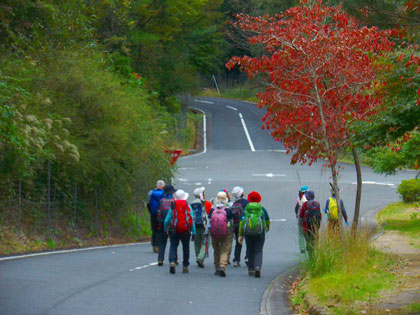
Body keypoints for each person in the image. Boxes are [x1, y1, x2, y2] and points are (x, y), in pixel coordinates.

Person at [238, 191, 270, 278]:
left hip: (248, 233)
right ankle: (258, 266)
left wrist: (240, 235)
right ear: (259, 199)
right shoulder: (262, 209)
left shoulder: (246, 210)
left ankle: (251, 268)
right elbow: (267, 221)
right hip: (260, 233)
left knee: (250, 249)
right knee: (259, 250)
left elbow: (242, 223)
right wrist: (266, 228)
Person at [164, 189, 196, 274]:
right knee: (186, 248)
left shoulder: (173, 206)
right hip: (186, 230)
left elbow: (167, 219)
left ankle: (172, 261)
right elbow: (191, 220)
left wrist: (165, 228)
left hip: (174, 230)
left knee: (173, 246)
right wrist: (194, 232)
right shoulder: (188, 206)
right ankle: (185, 265)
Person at [208, 191, 234, 277]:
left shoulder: (213, 208)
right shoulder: (228, 208)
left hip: (214, 232)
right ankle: (222, 265)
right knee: (225, 249)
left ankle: (217, 268)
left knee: (216, 249)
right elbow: (231, 219)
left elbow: (209, 219)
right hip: (226, 231)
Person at [157, 184, 175, 266]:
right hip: (172, 224)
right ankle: (173, 259)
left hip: (162, 223)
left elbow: (158, 212)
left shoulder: (161, 200)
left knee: (162, 242)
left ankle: (160, 259)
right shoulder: (173, 201)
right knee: (173, 242)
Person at [298, 190, 322, 256]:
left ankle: (310, 253)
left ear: (308, 197)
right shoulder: (317, 204)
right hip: (316, 225)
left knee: (308, 240)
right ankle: (315, 251)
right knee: (315, 238)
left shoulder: (305, 204)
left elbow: (301, 215)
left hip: (307, 226)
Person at [190, 186, 209, 268]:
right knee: (205, 241)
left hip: (194, 225)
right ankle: (201, 257)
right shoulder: (203, 202)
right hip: (203, 224)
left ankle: (198, 256)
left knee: (197, 242)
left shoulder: (191, 203)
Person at [231, 186, 249, 267]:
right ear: (242, 193)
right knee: (248, 242)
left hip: (236, 225)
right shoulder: (245, 202)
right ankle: (248, 257)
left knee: (238, 242)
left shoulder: (234, 203)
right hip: (245, 224)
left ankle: (236, 260)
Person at [147, 180, 165, 253]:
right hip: (162, 214)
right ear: (163, 186)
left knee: (154, 229)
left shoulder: (151, 193)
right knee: (161, 229)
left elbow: (148, 203)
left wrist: (151, 211)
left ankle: (154, 244)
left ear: (156, 186)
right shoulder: (164, 193)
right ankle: (160, 245)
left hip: (153, 213)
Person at [295, 186, 308, 253]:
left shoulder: (299, 199)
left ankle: (302, 248)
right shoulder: (309, 198)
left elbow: (296, 208)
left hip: (301, 218)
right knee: (308, 233)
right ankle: (308, 246)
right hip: (308, 219)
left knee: (301, 234)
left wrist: (297, 215)